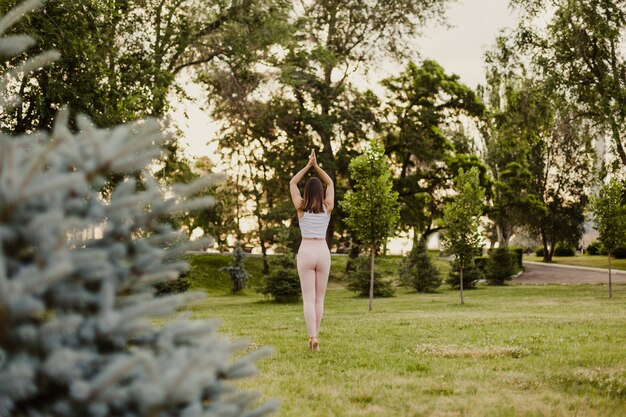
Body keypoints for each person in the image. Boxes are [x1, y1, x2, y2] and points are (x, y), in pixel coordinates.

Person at [289, 149, 333, 351]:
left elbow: (292, 183)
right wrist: (317, 167)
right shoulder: (327, 206)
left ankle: (312, 336)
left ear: (306, 192)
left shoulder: (300, 206)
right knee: (319, 298)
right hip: (322, 250)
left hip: (306, 250)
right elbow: (331, 183)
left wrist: (308, 166)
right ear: (320, 192)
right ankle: (316, 335)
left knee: (308, 297)